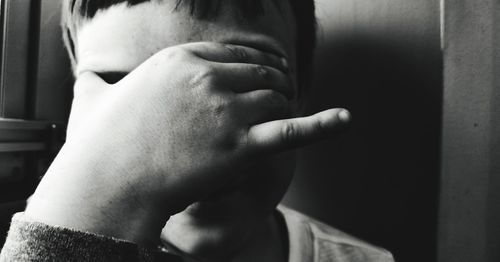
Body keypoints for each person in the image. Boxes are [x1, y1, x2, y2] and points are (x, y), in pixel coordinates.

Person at [1, 0, 394, 261]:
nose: (187, 135)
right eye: (122, 87)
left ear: (301, 96)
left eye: (241, 79)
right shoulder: (30, 239)